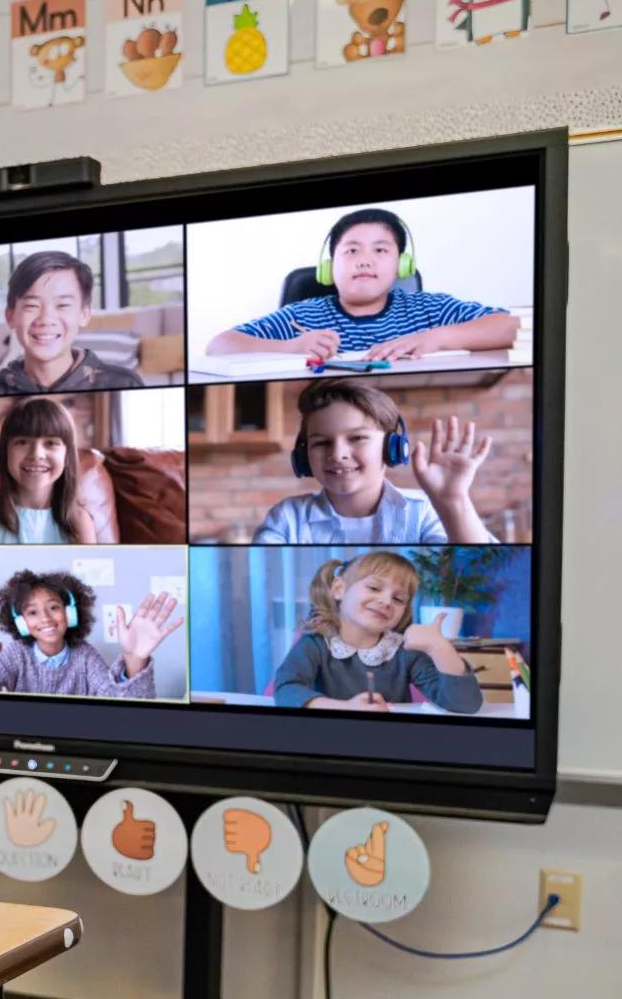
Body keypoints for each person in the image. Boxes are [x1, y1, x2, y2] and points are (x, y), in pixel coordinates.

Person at [206, 207, 520, 362]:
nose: (364, 260)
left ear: (402, 265)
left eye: (380, 250)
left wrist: (437, 338)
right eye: (352, 250)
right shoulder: (302, 316)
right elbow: (218, 346)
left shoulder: (428, 309)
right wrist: (290, 347)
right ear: (329, 267)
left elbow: (518, 327)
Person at [255, 379, 496, 545]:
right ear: (303, 455)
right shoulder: (288, 518)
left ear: (392, 448)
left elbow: (482, 579)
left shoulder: (425, 511)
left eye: (357, 438)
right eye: (321, 443)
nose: (338, 454)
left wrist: (453, 502)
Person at [272, 553, 483, 712]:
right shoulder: (314, 644)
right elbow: (287, 690)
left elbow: (464, 705)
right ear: (339, 589)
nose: (385, 601)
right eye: (374, 588)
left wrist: (440, 648)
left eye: (398, 599)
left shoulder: (404, 652)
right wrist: (346, 708)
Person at [0, 569, 183, 699]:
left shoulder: (85, 656)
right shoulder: (15, 654)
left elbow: (123, 705)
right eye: (32, 612)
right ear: (21, 623)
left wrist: (134, 658)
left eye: (54, 607)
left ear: (70, 613)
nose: (45, 619)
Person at [0, 252, 146, 396]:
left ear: (84, 315)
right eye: (32, 306)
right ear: (10, 316)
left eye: (62, 305)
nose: (46, 319)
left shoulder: (125, 384)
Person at [0, 397, 97, 544]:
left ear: (67, 455)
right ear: (5, 452)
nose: (36, 454)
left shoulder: (80, 520)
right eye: (22, 442)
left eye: (50, 443)